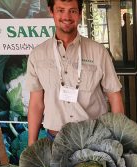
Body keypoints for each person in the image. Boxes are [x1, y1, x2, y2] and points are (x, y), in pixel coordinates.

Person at [26, 0, 124, 146]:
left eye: (72, 11)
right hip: (56, 140)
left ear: (79, 14)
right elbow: (36, 104)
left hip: (94, 139)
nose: (67, 16)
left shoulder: (98, 52)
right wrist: (31, 143)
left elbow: (115, 97)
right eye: (60, 10)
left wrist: (118, 139)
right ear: (51, 11)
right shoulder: (37, 55)